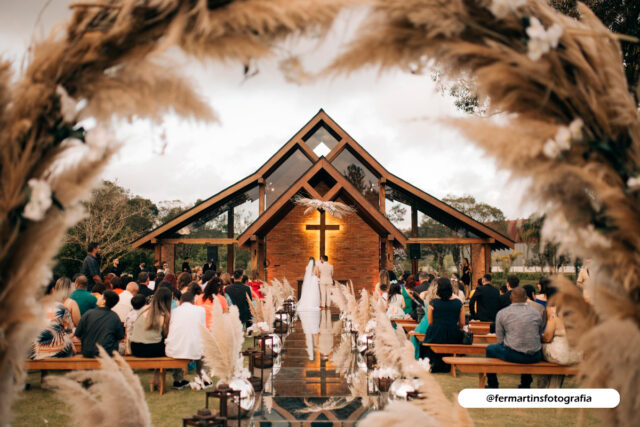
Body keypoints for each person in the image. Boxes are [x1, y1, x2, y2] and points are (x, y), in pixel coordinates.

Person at [485, 288, 544, 388]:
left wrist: (511, 343)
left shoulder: (502, 313)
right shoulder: (536, 313)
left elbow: (500, 339)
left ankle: (493, 384)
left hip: (513, 354)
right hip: (535, 355)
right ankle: (526, 384)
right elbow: (538, 333)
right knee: (528, 344)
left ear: (510, 297)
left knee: (490, 349)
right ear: (526, 298)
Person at [539, 286, 581, 387]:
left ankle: (543, 387)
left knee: (540, 349)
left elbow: (547, 338)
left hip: (561, 355)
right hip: (577, 355)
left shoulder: (554, 318)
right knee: (559, 353)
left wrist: (539, 337)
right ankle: (553, 388)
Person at [165, 292, 208, 389]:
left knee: (179, 343)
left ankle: (178, 380)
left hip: (174, 347)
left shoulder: (174, 311)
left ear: (180, 302)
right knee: (204, 347)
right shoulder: (200, 310)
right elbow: (203, 329)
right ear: (193, 301)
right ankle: (202, 377)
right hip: (194, 347)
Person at [421, 278, 465, 372]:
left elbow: (430, 322)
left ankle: (433, 363)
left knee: (426, 343)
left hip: (436, 333)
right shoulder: (458, 303)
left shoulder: (433, 303)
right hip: (453, 334)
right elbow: (462, 323)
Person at [31, 279, 75, 359]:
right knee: (68, 341)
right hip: (58, 350)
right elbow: (69, 331)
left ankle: (44, 371)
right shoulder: (61, 307)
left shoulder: (32, 308)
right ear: (52, 290)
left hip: (34, 351)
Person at [74, 290, 125, 358]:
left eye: (101, 296)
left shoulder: (88, 313)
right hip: (107, 352)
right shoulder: (114, 316)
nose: (99, 297)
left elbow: (78, 334)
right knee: (122, 348)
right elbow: (120, 337)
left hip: (88, 352)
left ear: (104, 301)